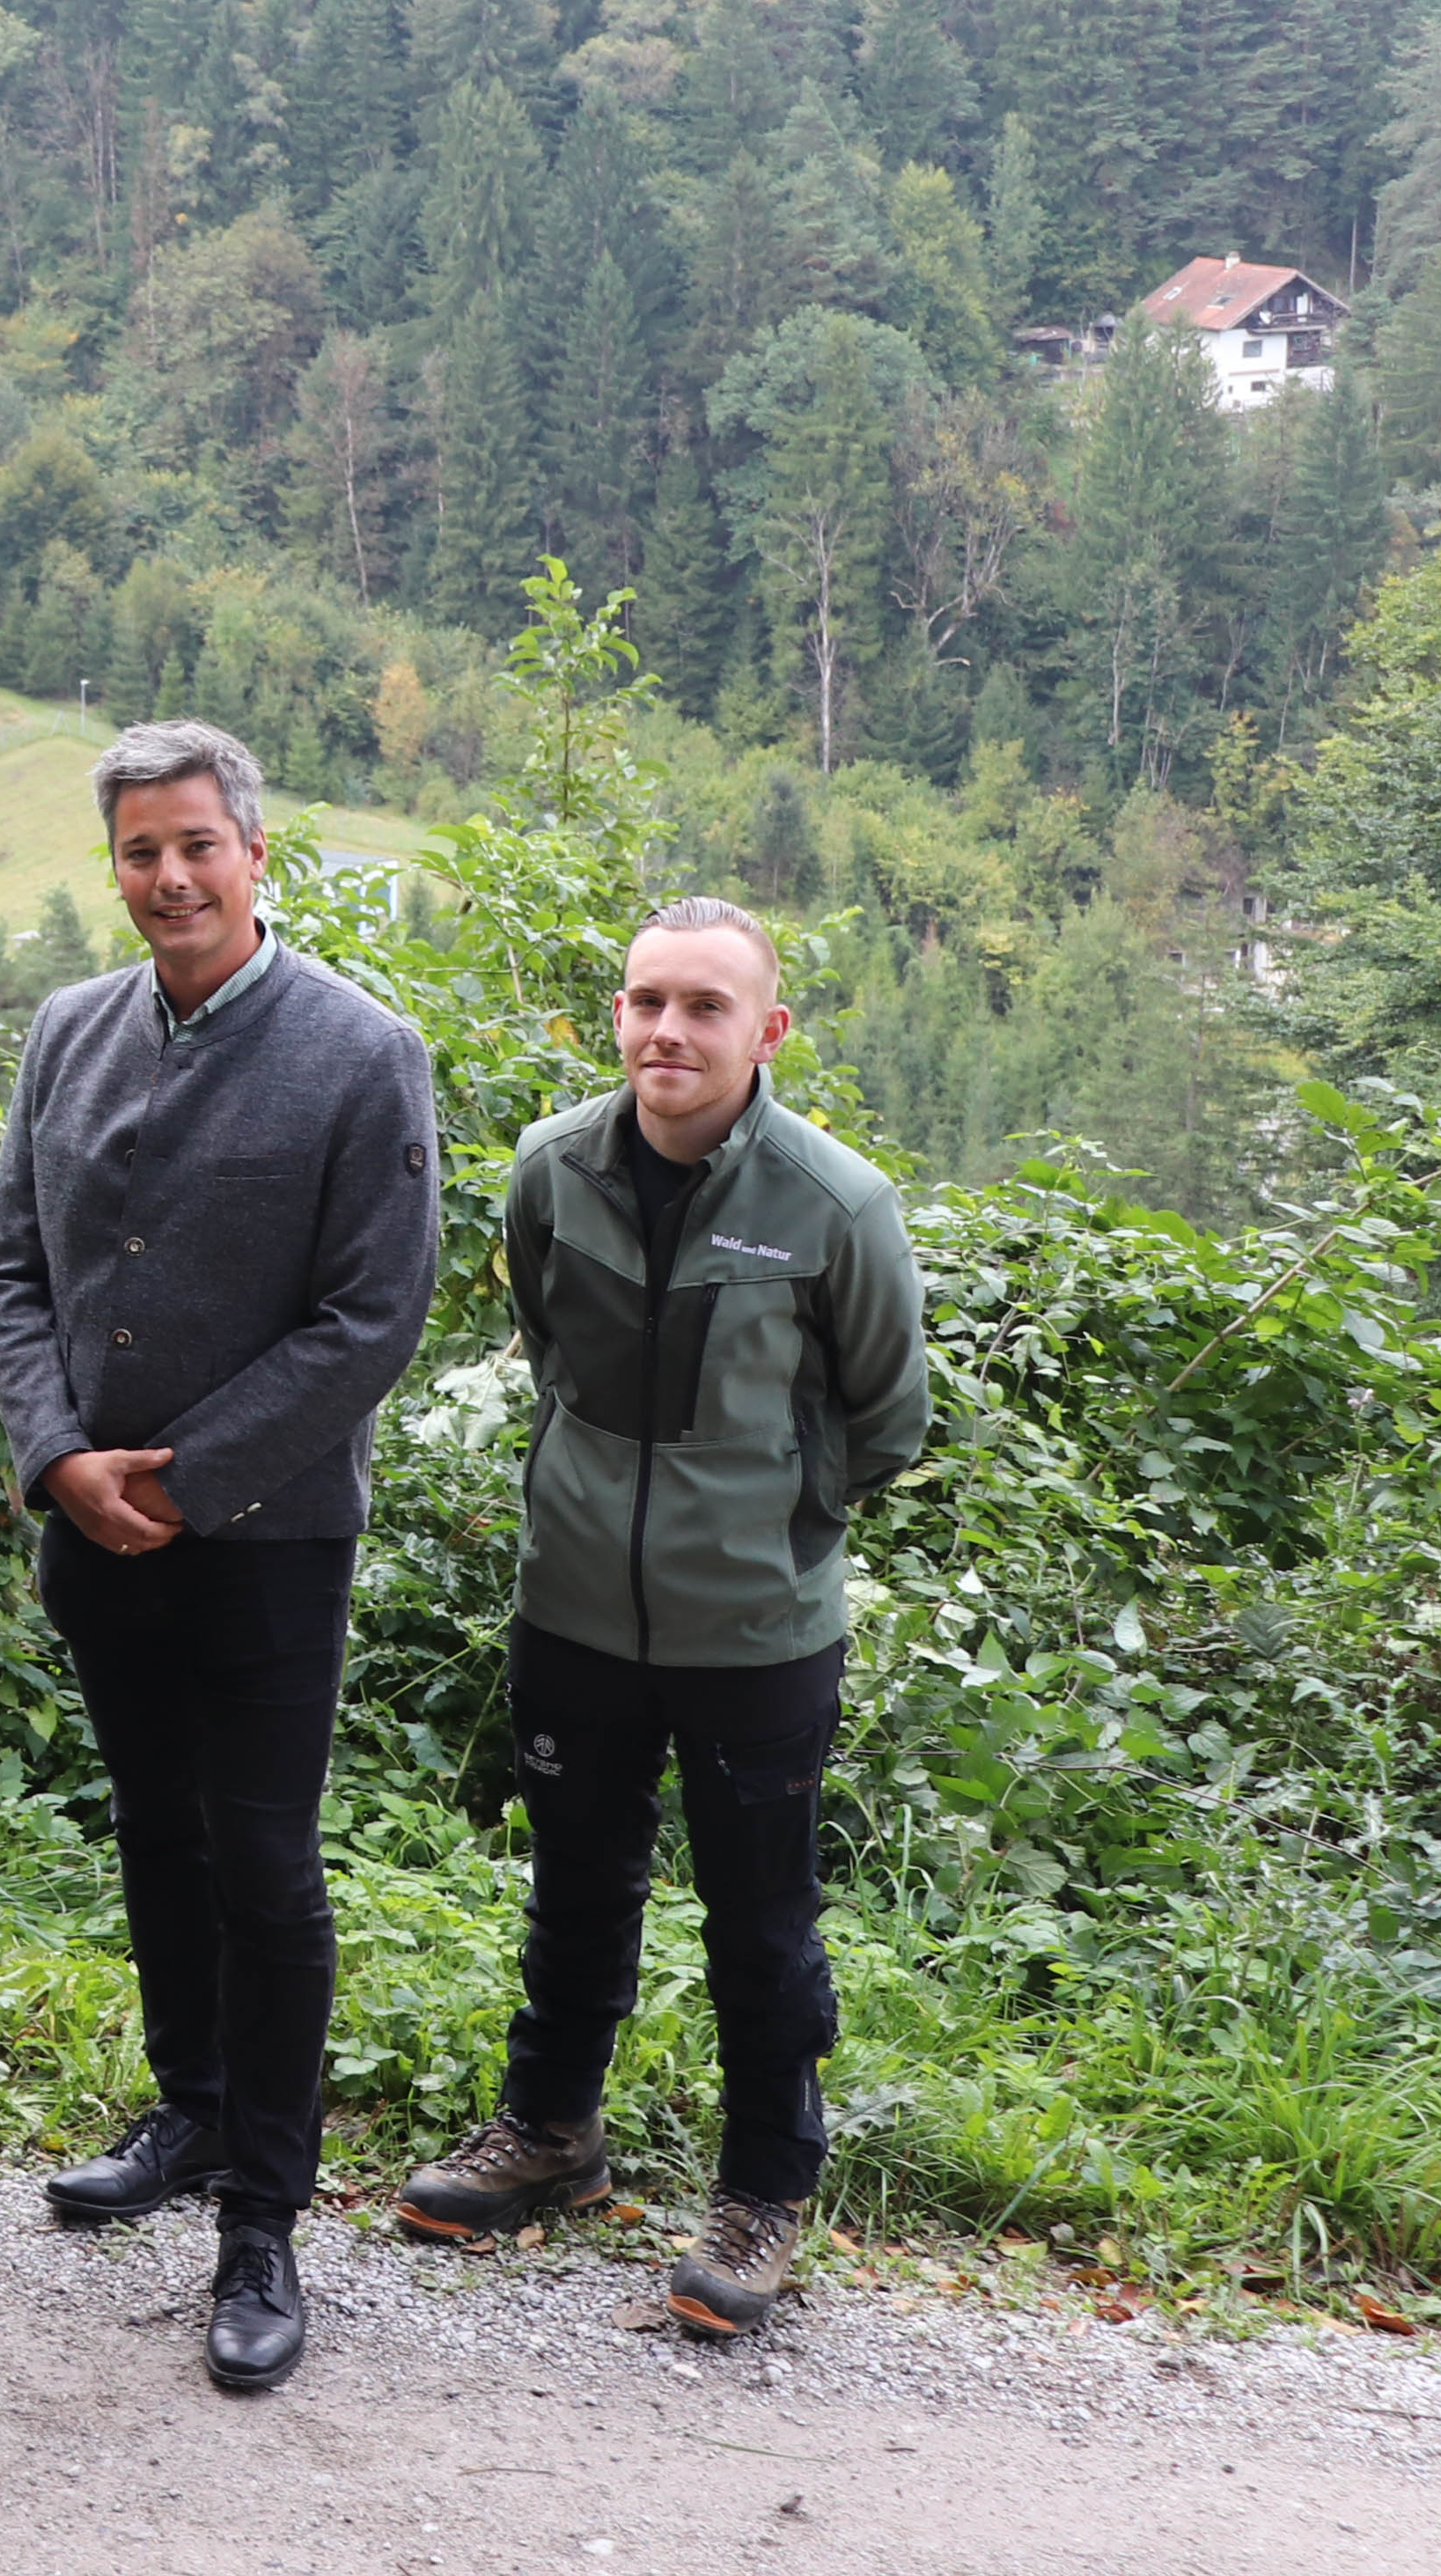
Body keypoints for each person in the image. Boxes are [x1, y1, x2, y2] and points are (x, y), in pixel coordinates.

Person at [0, 718, 440, 2396]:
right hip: (92, 1528)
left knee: (263, 1862)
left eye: (194, 845)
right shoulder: (67, 1032)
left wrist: (190, 1480)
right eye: (136, 853)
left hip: (265, 1546)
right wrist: (53, 1460)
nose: (166, 877)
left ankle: (264, 2212)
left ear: (255, 853)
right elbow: (10, 1263)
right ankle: (184, 2106)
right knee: (157, 1841)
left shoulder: (358, 1049)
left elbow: (372, 1315)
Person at [396, 899, 926, 2337]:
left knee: (761, 1924)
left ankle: (765, 2191)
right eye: (645, 1002)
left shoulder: (833, 1206)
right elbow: (555, 1350)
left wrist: (767, 1516)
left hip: (757, 1633)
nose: (667, 1033)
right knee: (575, 1891)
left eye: (704, 1007)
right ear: (617, 1016)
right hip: (571, 1612)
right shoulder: (551, 1169)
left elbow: (887, 1416)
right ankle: (552, 2135)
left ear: (768, 1030)